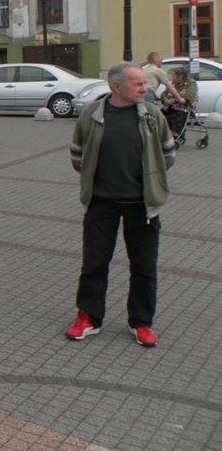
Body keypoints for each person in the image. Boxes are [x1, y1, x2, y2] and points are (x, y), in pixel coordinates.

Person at [66, 63, 176, 348]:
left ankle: (141, 323)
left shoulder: (151, 114)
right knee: (94, 263)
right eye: (138, 84)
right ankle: (88, 318)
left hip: (143, 205)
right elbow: (77, 153)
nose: (146, 88)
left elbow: (168, 153)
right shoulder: (92, 114)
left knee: (144, 266)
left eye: (144, 83)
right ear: (117, 87)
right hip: (101, 203)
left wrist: (150, 177)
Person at [161, 67, 198, 138]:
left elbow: (189, 96)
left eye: (173, 75)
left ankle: (176, 133)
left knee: (179, 114)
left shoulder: (191, 83)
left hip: (185, 106)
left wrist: (174, 100)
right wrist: (165, 101)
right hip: (172, 106)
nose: (172, 77)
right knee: (160, 113)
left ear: (180, 76)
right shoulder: (174, 83)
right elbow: (164, 94)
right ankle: (166, 131)